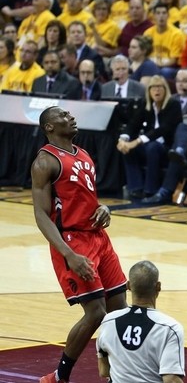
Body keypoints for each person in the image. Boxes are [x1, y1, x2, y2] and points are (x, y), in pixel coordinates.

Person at [32, 106, 127, 383]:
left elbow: (85, 200)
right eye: (63, 115)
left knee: (119, 310)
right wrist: (69, 254)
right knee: (96, 312)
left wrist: (104, 208)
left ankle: (116, 374)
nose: (70, 117)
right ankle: (59, 376)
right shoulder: (45, 161)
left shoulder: (83, 154)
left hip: (99, 238)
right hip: (72, 241)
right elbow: (41, 215)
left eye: (71, 114)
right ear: (49, 127)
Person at [96, 261, 185, 383]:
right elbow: (171, 380)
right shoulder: (170, 328)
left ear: (128, 286)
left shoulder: (108, 321)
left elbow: (104, 371)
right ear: (158, 286)